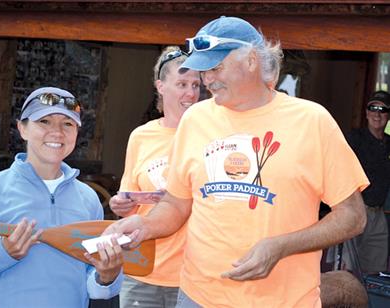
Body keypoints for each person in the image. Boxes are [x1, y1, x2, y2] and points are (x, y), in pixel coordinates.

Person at [104, 16, 368, 307]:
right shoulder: (196, 119)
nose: (207, 80)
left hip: (284, 301)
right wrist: (145, 224)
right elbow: (177, 204)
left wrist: (281, 246)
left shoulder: (312, 121)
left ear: (252, 60)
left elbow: (352, 217)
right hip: (198, 297)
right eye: (204, 71)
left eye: (216, 68)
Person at [0, 87, 124, 307]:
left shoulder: (88, 199)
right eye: (44, 121)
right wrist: (2, 253)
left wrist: (107, 277)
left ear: (76, 133)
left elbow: (91, 280)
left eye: (68, 124)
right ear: (22, 129)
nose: (57, 132)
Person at [109, 46, 201, 307]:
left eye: (196, 84)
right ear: (161, 86)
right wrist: (121, 205)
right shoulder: (141, 136)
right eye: (182, 83)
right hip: (142, 270)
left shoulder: (208, 135)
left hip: (193, 276)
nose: (191, 93)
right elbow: (129, 204)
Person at [346, 90, 390, 274]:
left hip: (378, 213)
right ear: (366, 112)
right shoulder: (354, 138)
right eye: (373, 108)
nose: (377, 114)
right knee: (347, 271)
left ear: (388, 115)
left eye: (382, 109)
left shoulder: (389, 143)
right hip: (354, 209)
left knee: (375, 273)